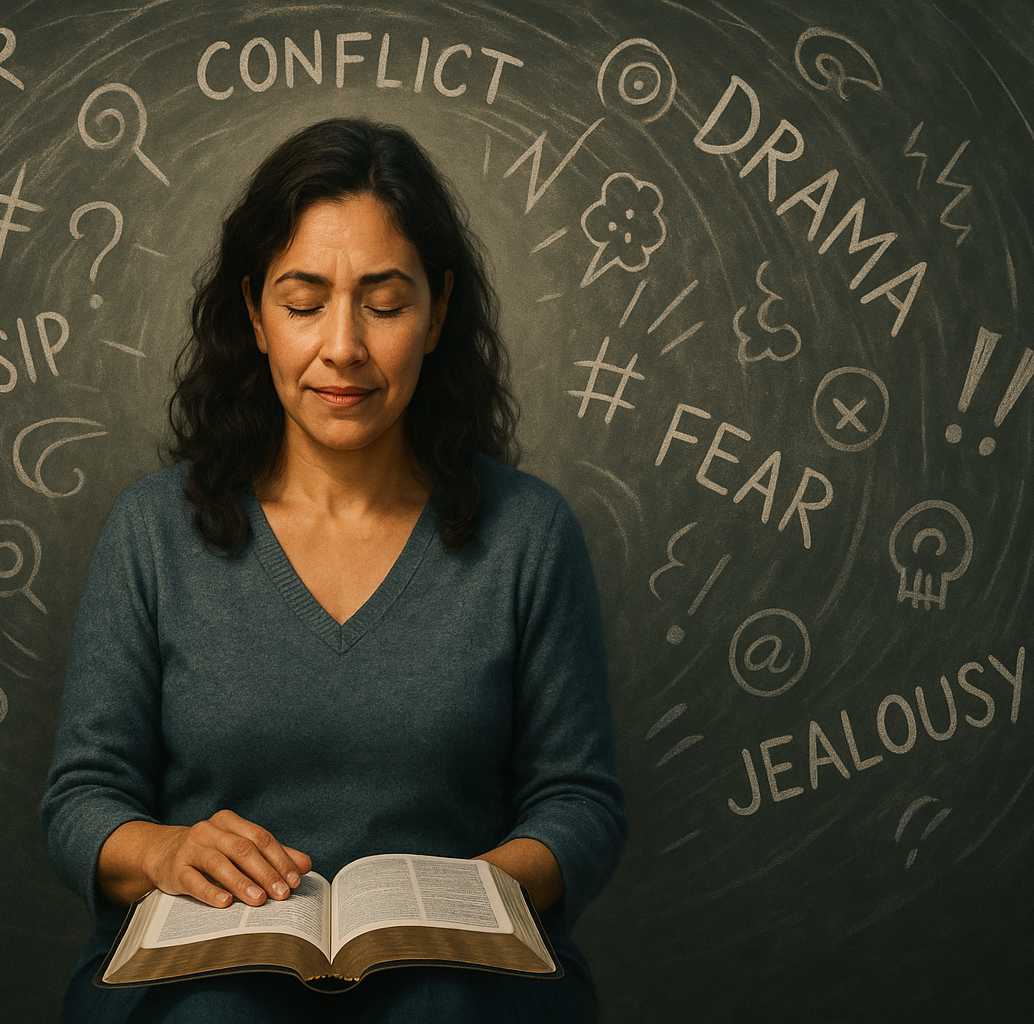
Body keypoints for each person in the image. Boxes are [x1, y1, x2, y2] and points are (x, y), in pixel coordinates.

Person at [40, 117, 627, 1023]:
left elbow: (579, 804)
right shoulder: (153, 530)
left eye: (385, 304)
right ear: (254, 313)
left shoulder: (529, 535)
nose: (344, 347)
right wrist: (161, 853)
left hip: (459, 978)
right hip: (206, 970)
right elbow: (83, 798)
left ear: (437, 313)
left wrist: (467, 900)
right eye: (304, 301)